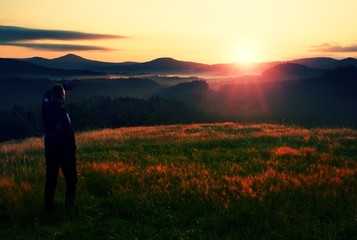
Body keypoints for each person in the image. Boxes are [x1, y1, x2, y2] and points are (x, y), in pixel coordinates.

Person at [42, 84, 77, 213]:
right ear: (62, 97)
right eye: (64, 95)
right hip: (63, 151)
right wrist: (72, 150)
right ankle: (69, 208)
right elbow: (69, 134)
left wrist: (61, 87)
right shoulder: (64, 114)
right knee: (71, 180)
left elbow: (45, 95)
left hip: (50, 147)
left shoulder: (45, 106)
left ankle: (48, 209)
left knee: (51, 179)